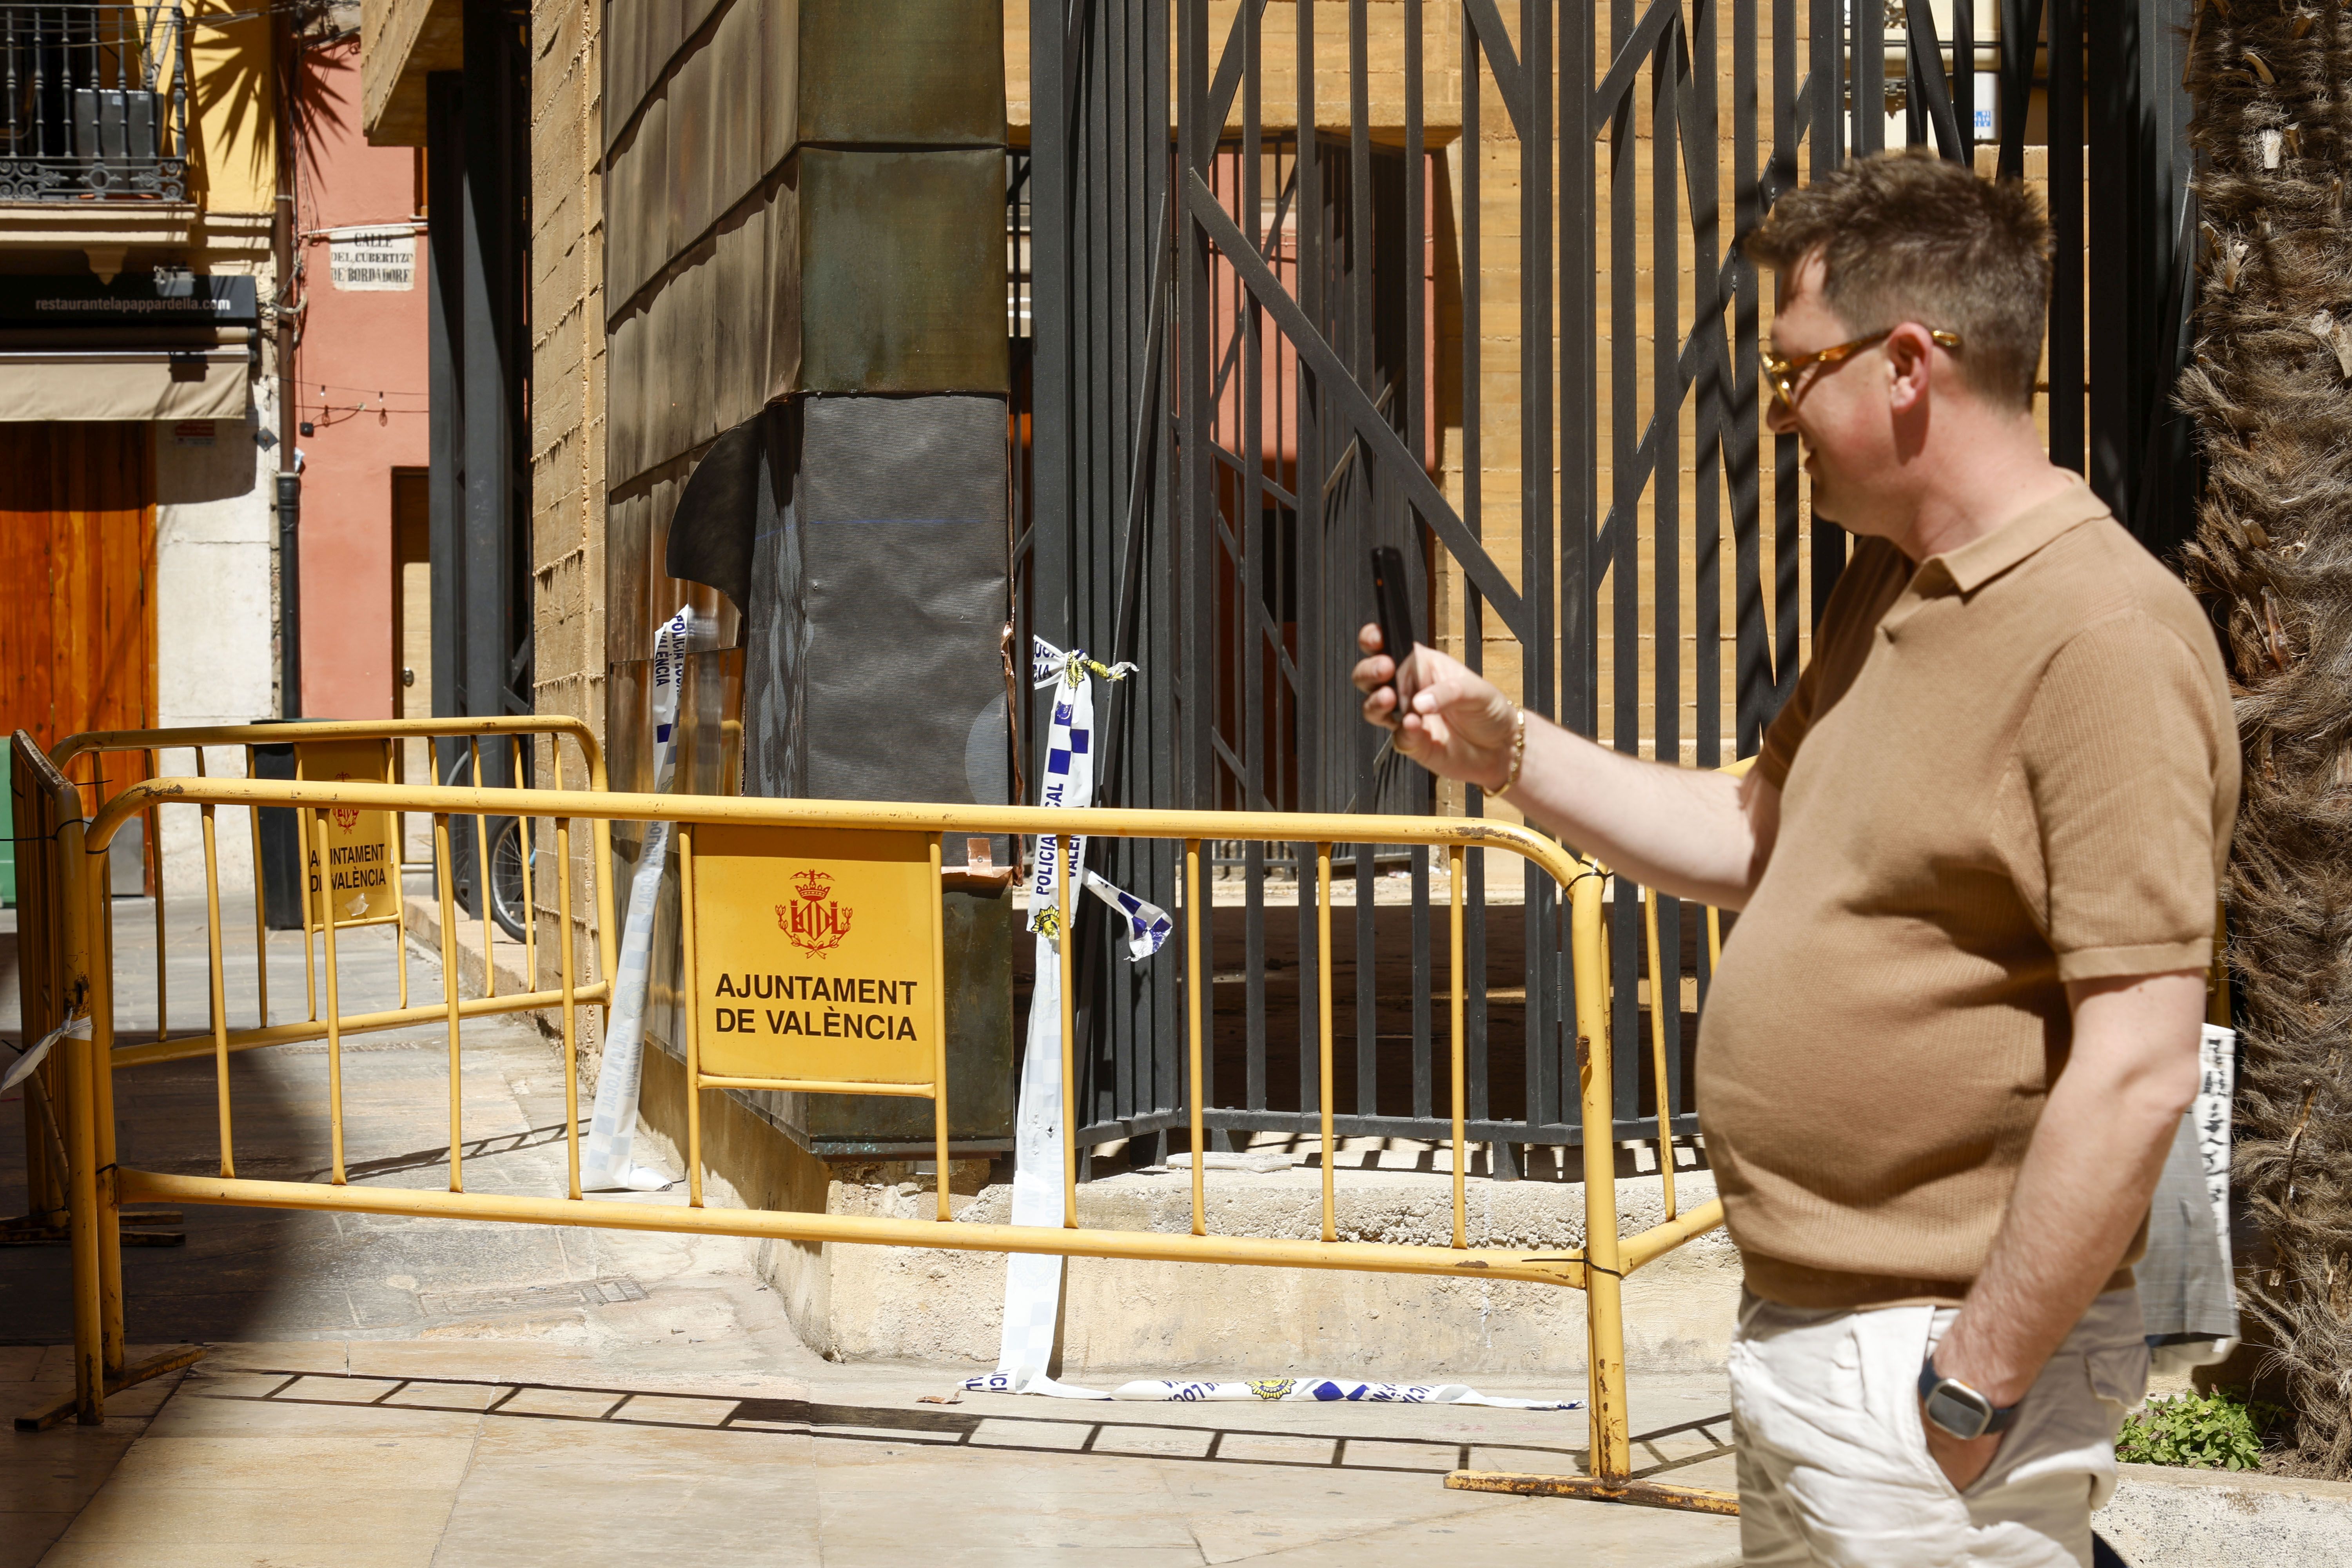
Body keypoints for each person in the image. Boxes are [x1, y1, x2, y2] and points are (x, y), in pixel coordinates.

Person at [1355, 151, 2236, 1566]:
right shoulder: (1892, 582)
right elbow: (1757, 835)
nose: (1777, 418)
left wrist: (1971, 1383)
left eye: (1792, 374)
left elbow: (2139, 1067)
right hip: (1812, 1327)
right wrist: (1504, 752)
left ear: (1905, 366)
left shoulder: (2102, 643)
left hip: (1934, 1365)